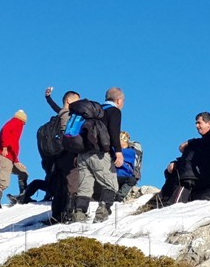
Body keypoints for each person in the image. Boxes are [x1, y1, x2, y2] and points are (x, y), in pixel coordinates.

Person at [70, 87, 124, 223]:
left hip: (82, 154)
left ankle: (79, 215)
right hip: (99, 154)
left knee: (84, 187)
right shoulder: (114, 111)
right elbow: (114, 132)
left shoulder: (92, 111)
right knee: (111, 184)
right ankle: (102, 214)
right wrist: (118, 151)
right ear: (118, 100)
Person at [159, 112, 210, 206]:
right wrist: (175, 163)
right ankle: (164, 199)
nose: (196, 126)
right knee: (176, 170)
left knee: (189, 152)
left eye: (199, 123)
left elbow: (207, 146)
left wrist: (189, 142)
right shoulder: (200, 145)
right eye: (196, 123)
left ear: (208, 123)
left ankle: (172, 203)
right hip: (200, 179)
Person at [40, 87, 81, 222]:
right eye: (77, 101)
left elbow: (54, 107)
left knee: (60, 185)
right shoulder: (67, 115)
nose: (79, 104)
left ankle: (56, 215)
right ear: (69, 101)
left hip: (57, 156)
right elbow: (67, 134)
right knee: (71, 182)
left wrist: (48, 98)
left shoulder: (60, 114)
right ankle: (69, 214)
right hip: (66, 153)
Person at [0, 110, 30, 210]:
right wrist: (4, 147)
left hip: (10, 157)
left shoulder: (17, 124)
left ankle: (23, 196)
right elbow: (5, 131)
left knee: (23, 172)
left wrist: (16, 161)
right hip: (4, 155)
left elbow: (14, 144)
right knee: (3, 179)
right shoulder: (16, 122)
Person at [115, 131, 142, 200]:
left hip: (116, 175)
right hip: (125, 176)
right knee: (131, 180)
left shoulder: (114, 150)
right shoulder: (132, 151)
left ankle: (118, 197)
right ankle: (119, 197)